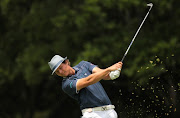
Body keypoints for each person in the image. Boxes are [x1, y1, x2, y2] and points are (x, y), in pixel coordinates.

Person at [48, 55, 123, 118]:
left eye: (60, 68)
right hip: (92, 114)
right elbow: (88, 81)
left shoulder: (83, 65)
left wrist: (113, 73)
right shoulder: (66, 84)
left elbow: (103, 74)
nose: (60, 72)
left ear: (67, 62)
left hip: (109, 111)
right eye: (57, 72)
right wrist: (109, 69)